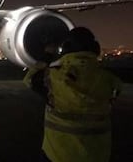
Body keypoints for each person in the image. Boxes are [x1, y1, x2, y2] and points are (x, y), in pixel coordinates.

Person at [24, 27, 122, 162]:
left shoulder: (53, 77)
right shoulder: (110, 80)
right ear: (95, 48)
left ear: (66, 48)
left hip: (58, 153)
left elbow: (29, 80)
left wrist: (48, 54)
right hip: (98, 154)